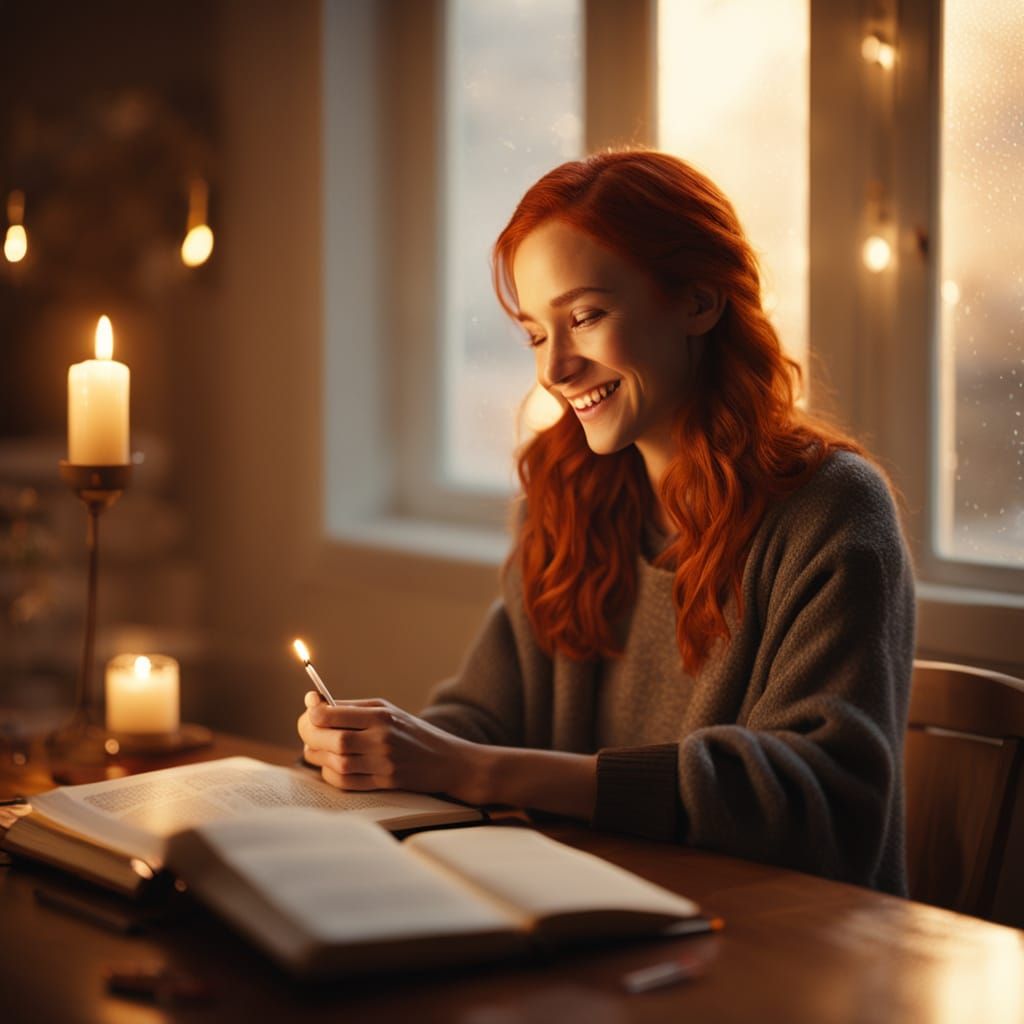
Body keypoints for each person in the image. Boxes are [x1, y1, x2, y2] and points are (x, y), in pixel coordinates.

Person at [298, 150, 915, 895]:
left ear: (699, 301)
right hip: (595, 913)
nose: (554, 370)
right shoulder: (567, 498)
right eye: (536, 334)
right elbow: (486, 718)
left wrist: (476, 770)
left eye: (585, 317)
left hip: (786, 937)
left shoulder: (832, 511)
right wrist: (377, 750)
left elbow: (822, 804)